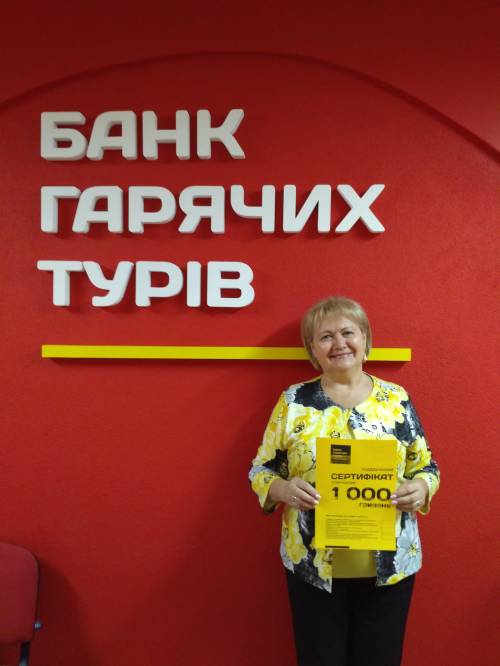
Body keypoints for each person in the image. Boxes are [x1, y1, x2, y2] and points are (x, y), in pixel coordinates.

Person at [249, 296, 439, 666]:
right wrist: (283, 489)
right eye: (326, 336)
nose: (339, 343)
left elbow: (427, 467)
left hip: (389, 565)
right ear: (312, 349)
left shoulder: (396, 400)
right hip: (313, 564)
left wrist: (421, 488)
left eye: (348, 332)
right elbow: (260, 470)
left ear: (365, 340)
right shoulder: (294, 401)